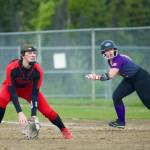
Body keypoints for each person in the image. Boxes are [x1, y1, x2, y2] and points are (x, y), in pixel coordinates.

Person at [0, 45, 72, 139]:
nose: (33, 55)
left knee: (48, 111)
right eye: (29, 53)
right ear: (22, 56)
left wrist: (33, 115)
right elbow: (12, 91)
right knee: (2, 99)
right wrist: (20, 112)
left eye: (34, 53)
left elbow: (34, 94)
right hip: (11, 88)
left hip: (28, 90)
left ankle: (63, 129)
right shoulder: (12, 67)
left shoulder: (38, 70)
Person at [86, 40, 150, 128]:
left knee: (148, 103)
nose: (110, 52)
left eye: (111, 49)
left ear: (114, 49)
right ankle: (121, 122)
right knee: (116, 96)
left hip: (140, 78)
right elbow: (126, 61)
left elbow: (111, 75)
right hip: (129, 79)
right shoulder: (110, 61)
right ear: (103, 53)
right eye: (107, 50)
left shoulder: (118, 59)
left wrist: (96, 77)